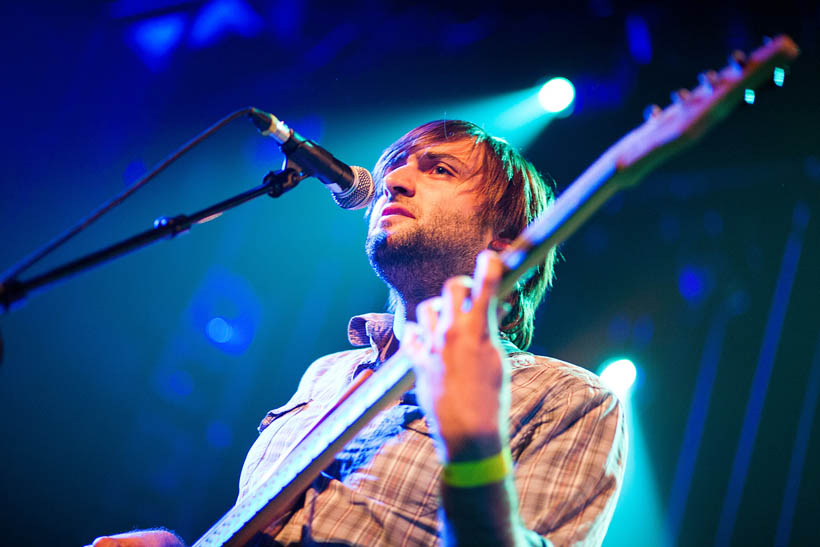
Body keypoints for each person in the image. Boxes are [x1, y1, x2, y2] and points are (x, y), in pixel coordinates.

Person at [89, 120, 627, 547]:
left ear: (507, 239)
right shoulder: (325, 374)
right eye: (394, 166)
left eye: (440, 169)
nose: (392, 179)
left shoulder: (569, 399)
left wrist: (473, 450)